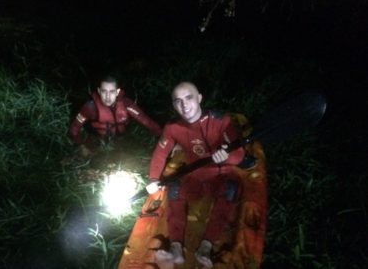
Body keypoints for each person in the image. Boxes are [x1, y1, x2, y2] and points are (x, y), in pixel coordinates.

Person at [146, 82, 246, 267]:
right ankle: (176, 247)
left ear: (199, 98)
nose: (184, 105)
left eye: (189, 98)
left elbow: (239, 155)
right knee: (175, 188)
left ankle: (206, 245)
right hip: (195, 174)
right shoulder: (173, 127)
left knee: (231, 189)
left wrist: (227, 155)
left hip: (221, 173)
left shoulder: (221, 120)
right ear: (174, 106)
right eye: (178, 101)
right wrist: (153, 178)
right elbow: (160, 153)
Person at [68, 76, 162, 156]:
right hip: (98, 139)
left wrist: (163, 138)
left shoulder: (126, 104)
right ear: (99, 91)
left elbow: (146, 121)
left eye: (112, 92)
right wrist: (81, 145)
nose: (108, 96)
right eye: (104, 91)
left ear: (117, 92)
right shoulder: (90, 107)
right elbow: (74, 129)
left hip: (122, 138)